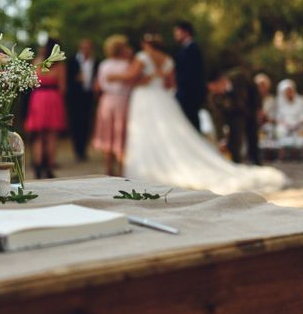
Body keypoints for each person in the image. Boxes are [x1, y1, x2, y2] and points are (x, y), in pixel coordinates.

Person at [120, 34, 286, 194]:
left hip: (144, 97)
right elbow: (171, 84)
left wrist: (112, 77)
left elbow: (130, 77)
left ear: (145, 45)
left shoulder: (142, 57)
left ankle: (153, 167)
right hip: (162, 98)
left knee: (146, 132)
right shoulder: (167, 60)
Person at [25, 38, 67, 179]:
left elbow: (31, 82)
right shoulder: (59, 66)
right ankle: (49, 167)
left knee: (38, 135)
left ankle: (37, 167)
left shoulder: (37, 62)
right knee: (51, 136)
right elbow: (63, 87)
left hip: (38, 98)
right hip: (53, 98)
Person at [92, 35, 132, 176]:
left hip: (106, 101)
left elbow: (99, 85)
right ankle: (121, 171)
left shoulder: (104, 64)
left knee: (107, 135)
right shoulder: (127, 65)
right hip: (121, 101)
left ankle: (108, 170)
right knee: (120, 136)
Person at [207, 69, 262, 165]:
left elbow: (254, 90)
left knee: (253, 137)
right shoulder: (215, 97)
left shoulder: (239, 77)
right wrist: (221, 138)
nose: (215, 92)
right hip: (233, 116)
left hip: (250, 109)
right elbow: (217, 118)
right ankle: (236, 162)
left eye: (216, 88)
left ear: (220, 81)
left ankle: (256, 161)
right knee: (235, 140)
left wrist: (258, 107)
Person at [67, 38, 98, 161]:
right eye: (84, 47)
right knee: (76, 124)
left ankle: (83, 150)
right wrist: (75, 80)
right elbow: (67, 79)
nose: (86, 49)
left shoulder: (95, 61)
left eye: (88, 47)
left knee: (86, 123)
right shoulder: (72, 60)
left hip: (88, 95)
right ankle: (77, 150)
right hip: (75, 97)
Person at [173, 21, 207, 132]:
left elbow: (191, 74)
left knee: (192, 124)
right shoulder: (185, 49)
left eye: (177, 32)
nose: (175, 35)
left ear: (186, 32)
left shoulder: (192, 49)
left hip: (190, 94)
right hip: (186, 94)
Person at [275, 79, 303, 157]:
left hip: (298, 124)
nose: (289, 93)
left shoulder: (301, 100)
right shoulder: (279, 102)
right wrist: (286, 124)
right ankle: (282, 153)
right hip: (284, 125)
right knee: (280, 131)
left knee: (300, 134)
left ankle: (296, 153)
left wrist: (297, 124)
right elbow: (278, 117)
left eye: (291, 90)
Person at [254, 73, 277, 152]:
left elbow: (275, 118)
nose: (261, 88)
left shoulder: (272, 100)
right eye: (259, 86)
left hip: (268, 125)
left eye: (263, 86)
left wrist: (265, 117)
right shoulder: (251, 100)